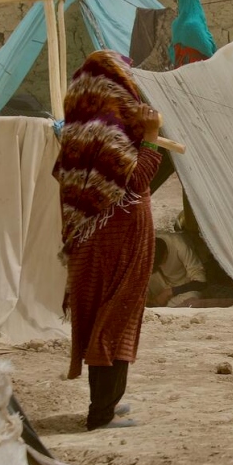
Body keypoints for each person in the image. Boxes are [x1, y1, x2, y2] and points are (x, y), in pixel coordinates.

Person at [53, 51, 162, 431]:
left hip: (87, 240)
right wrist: (150, 138)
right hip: (120, 236)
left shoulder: (77, 129)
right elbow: (134, 182)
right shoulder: (111, 130)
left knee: (102, 313)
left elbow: (65, 176)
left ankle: (108, 402)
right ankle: (100, 413)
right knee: (117, 315)